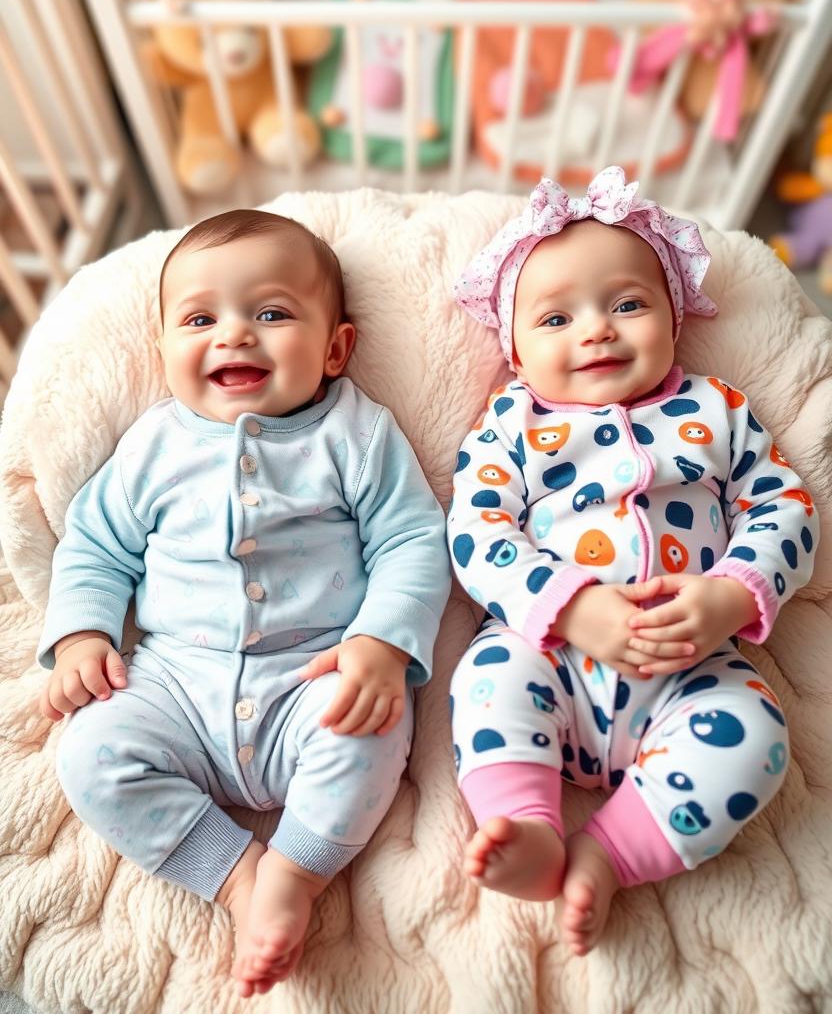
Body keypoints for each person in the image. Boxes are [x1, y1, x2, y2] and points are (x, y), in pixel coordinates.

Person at [37, 209, 450, 996]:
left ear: (336, 349)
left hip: (313, 674)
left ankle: (295, 873)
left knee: (374, 729)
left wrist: (383, 644)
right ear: (163, 355)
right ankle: (234, 875)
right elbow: (94, 545)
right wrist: (83, 634)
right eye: (201, 318)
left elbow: (411, 541)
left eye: (271, 313)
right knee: (88, 755)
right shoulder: (153, 446)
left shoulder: (357, 434)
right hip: (173, 684)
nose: (234, 335)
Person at [448, 167, 816, 956]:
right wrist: (570, 606)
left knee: (758, 737)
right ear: (513, 348)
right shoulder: (510, 423)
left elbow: (785, 508)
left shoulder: (717, 409)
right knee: (485, 684)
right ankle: (528, 825)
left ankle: (610, 853)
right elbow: (477, 533)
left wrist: (729, 593)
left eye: (627, 303)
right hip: (550, 656)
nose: (597, 330)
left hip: (693, 668)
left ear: (673, 321)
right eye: (556, 317)